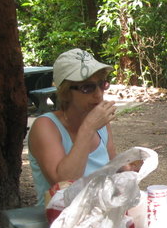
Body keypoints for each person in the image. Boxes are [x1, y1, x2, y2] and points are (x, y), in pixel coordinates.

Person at [28, 48, 117, 206]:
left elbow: (112, 168)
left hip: (99, 212)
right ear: (66, 92)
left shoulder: (102, 124)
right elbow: (64, 186)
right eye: (87, 87)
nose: (98, 94)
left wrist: (128, 166)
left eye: (101, 84)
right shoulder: (45, 126)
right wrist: (88, 128)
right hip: (59, 219)